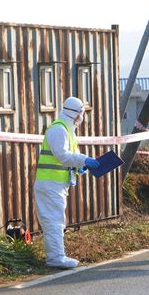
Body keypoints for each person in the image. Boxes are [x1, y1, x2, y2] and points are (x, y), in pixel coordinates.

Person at [34, 96, 100, 269]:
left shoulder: (67, 130)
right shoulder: (59, 130)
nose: (82, 116)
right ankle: (56, 258)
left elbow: (68, 158)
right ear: (77, 113)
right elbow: (62, 156)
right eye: (82, 113)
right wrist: (85, 160)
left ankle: (56, 255)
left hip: (55, 184)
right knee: (54, 221)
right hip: (50, 184)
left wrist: (79, 168)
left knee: (54, 220)